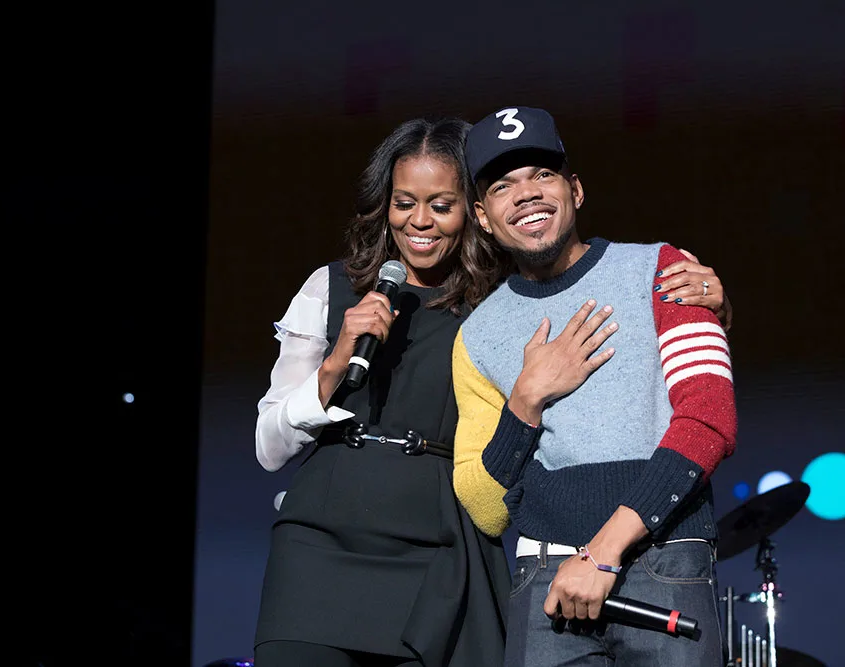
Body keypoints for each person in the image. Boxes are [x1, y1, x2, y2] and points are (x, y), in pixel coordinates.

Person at [253, 116, 732, 667]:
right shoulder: (347, 291)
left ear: (471, 214)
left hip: (449, 549)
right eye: (405, 202)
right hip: (331, 543)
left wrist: (710, 310)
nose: (421, 221)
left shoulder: (495, 306)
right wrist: (339, 361)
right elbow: (270, 447)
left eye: (442, 203)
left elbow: (681, 394)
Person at [452, 106, 736, 667]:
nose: (526, 194)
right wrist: (525, 400)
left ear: (575, 190)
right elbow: (486, 509)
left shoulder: (663, 269)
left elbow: (709, 418)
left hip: (663, 557)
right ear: (484, 217)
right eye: (503, 185)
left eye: (542, 174)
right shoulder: (476, 336)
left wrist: (603, 553)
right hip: (544, 575)